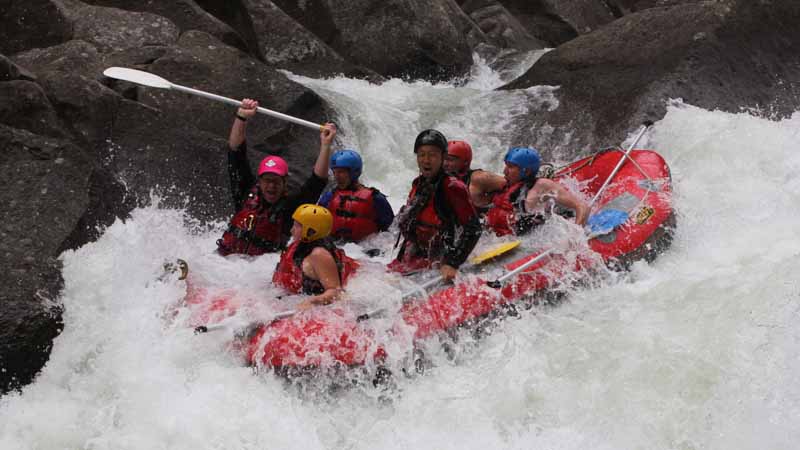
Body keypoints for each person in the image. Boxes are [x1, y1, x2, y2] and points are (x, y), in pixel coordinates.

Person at [216, 98, 336, 256]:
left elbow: (318, 180)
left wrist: (326, 145)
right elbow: (235, 151)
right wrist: (242, 117)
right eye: (267, 181)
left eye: (276, 181)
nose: (271, 186)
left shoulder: (291, 206)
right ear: (259, 181)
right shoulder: (244, 192)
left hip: (258, 269)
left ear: (284, 182)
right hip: (223, 261)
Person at [390, 129, 481, 282]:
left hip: (440, 257)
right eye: (421, 155)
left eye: (432, 154)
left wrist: (452, 263)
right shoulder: (418, 184)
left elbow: (473, 229)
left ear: (443, 157)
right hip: (415, 254)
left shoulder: (453, 187)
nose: (426, 160)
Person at [486, 147, 590, 236]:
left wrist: (574, 237)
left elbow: (582, 207)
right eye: (506, 165)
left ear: (526, 171)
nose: (505, 171)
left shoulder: (542, 185)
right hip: (501, 236)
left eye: (511, 167)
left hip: (529, 236)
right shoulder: (504, 184)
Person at [272, 204, 359, 310]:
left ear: (311, 230)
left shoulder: (319, 255)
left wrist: (312, 301)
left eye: (297, 226)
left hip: (360, 277)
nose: (291, 230)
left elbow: (336, 292)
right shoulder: (300, 246)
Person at [318, 149, 394, 243]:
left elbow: (392, 231)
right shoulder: (329, 196)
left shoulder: (376, 198)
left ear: (354, 172)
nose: (337, 176)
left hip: (365, 251)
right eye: (335, 172)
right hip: (335, 246)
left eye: (341, 172)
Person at [444, 140, 507, 214]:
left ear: (465, 162)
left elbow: (513, 185)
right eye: (443, 159)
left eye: (450, 160)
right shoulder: (440, 179)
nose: (445, 163)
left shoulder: (479, 178)